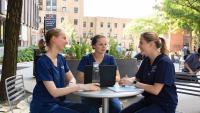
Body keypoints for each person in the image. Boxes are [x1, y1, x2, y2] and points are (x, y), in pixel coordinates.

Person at [30, 28, 100, 113]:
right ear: (54, 39)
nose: (66, 42)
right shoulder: (43, 62)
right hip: (44, 106)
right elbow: (54, 92)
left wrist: (71, 85)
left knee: (91, 110)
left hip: (59, 103)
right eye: (64, 38)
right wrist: (80, 86)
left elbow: (72, 78)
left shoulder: (61, 59)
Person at [119, 32, 178, 113]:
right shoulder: (146, 60)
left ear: (152, 45)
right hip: (149, 100)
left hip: (164, 104)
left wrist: (133, 82)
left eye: (141, 43)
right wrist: (127, 80)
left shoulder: (164, 62)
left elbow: (155, 90)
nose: (139, 46)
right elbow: (137, 78)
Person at [77, 35, 121, 113]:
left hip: (108, 91)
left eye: (105, 44)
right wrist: (101, 80)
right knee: (91, 110)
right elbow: (80, 78)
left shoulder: (110, 58)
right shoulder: (86, 59)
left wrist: (100, 80)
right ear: (93, 46)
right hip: (90, 91)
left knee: (116, 108)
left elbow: (118, 77)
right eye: (100, 44)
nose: (104, 47)